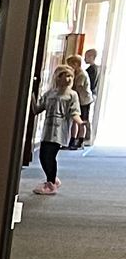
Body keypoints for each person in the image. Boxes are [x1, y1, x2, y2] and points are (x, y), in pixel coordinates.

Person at [31, 63, 81, 196]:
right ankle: (52, 179)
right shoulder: (50, 93)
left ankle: (51, 183)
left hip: (59, 130)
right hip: (48, 129)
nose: (68, 79)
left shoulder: (72, 95)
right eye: (65, 76)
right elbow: (37, 109)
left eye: (70, 76)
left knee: (50, 156)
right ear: (58, 78)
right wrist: (31, 94)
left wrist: (80, 124)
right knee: (43, 156)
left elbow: (74, 112)